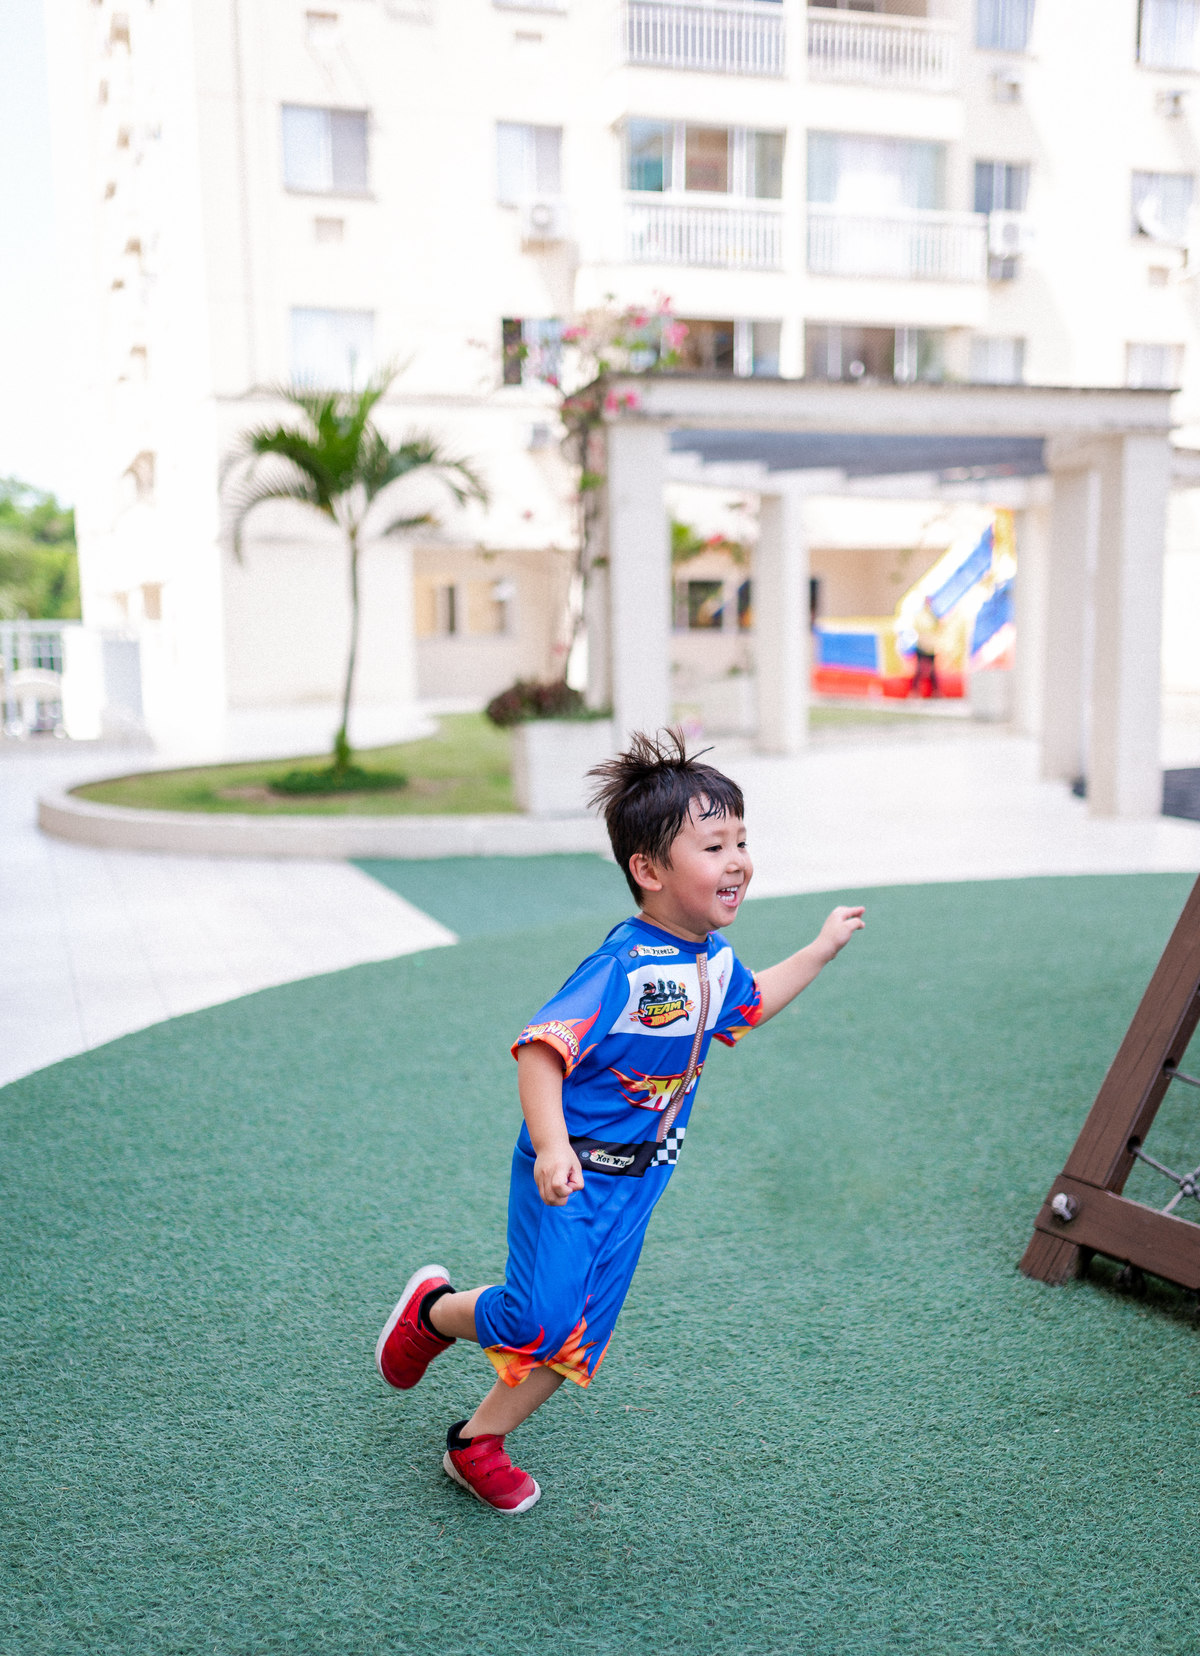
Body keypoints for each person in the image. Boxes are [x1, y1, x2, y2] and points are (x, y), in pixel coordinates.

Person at [375, 728, 865, 1513]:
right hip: (570, 1174)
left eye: (742, 841)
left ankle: (475, 1444)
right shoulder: (623, 967)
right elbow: (541, 1052)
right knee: (540, 1318)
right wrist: (551, 1148)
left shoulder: (714, 962)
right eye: (714, 846)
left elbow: (749, 1007)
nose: (738, 860)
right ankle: (433, 1313)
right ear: (649, 870)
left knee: (575, 1338)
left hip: (639, 1185)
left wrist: (818, 950)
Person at [908, 601, 941, 699]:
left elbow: (938, 627)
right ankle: (914, 691)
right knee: (919, 670)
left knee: (932, 671)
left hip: (931, 647)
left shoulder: (933, 616)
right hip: (922, 645)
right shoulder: (920, 616)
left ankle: (935, 692)